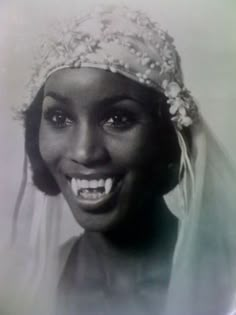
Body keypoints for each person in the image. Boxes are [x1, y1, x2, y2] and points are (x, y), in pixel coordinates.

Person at [8, 4, 236, 315]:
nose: (84, 152)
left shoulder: (226, 287)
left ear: (169, 138)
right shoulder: (28, 285)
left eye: (118, 118)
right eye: (59, 117)